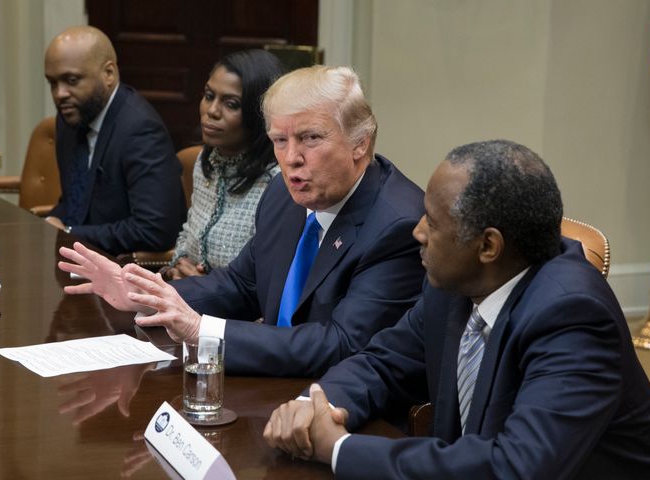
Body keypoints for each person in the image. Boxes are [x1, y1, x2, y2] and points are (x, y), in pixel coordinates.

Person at [263, 140, 650, 479]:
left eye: (432, 221)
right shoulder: (455, 284)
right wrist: (314, 405)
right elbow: (382, 364)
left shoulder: (573, 315)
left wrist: (339, 449)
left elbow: (517, 467)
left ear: (488, 246)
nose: (417, 232)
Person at [58, 65, 426, 377]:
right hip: (275, 386)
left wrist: (202, 331)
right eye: (279, 140)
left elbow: (341, 345)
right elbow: (243, 283)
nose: (291, 158)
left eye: (310, 138)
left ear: (360, 141)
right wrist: (148, 296)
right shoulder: (285, 194)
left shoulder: (398, 226)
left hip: (349, 413)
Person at [44, 26, 186, 255]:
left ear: (109, 73)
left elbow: (154, 230)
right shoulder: (70, 119)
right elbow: (76, 202)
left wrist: (69, 232)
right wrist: (51, 221)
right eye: (52, 83)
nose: (60, 94)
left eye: (72, 80)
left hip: (124, 269)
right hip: (79, 259)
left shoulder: (140, 130)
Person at [162, 49, 284, 280]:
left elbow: (269, 280)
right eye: (209, 96)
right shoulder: (206, 161)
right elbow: (189, 233)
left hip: (236, 312)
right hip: (186, 298)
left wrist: (205, 286)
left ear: (259, 113)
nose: (212, 111)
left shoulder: (278, 183)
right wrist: (177, 264)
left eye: (231, 104)